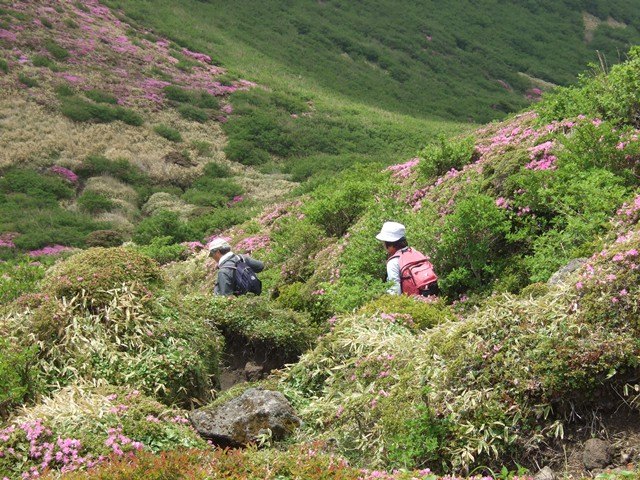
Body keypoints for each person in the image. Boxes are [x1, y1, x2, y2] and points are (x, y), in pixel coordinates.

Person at [375, 221, 438, 296]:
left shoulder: (393, 262)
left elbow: (394, 291)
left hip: (412, 304)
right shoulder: (415, 252)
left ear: (389, 244)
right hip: (432, 298)